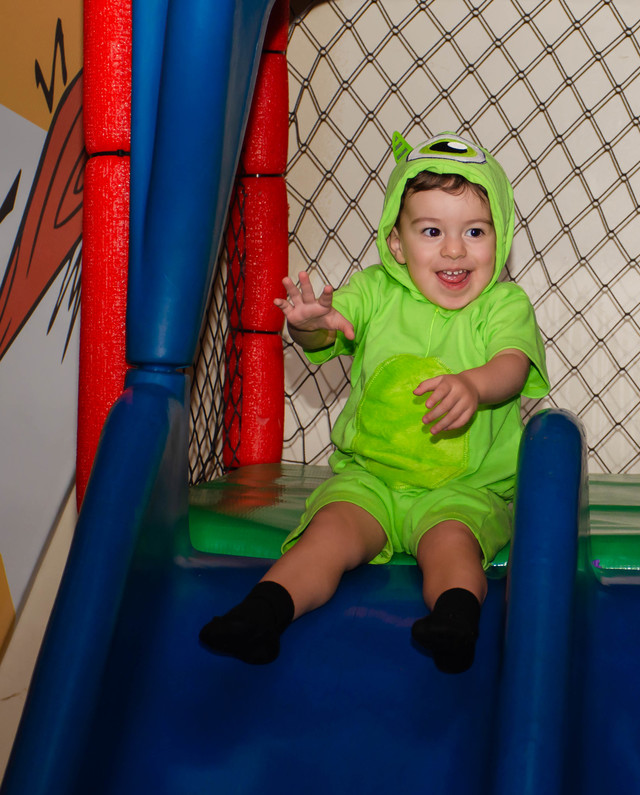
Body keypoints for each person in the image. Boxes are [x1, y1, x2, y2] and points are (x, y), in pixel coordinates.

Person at [200, 132, 549, 673]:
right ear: (397, 244)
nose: (454, 250)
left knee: (453, 543)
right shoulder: (376, 290)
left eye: (475, 231)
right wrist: (310, 324)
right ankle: (264, 612)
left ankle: (456, 620)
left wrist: (474, 385)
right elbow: (330, 326)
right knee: (328, 533)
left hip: (464, 489)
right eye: (431, 231)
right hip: (371, 481)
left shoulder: (503, 304)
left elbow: (513, 365)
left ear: (499, 238)